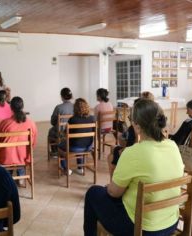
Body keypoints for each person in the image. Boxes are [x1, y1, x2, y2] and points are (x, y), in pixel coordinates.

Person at [84, 99, 184, 235]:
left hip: (142, 228)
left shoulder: (133, 152)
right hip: (171, 222)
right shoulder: (173, 146)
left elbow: (114, 192)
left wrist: (109, 187)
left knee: (93, 193)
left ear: (137, 126)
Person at [107, 91, 154, 179]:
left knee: (112, 154)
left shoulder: (134, 129)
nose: (129, 118)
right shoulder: (153, 126)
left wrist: (120, 137)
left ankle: (113, 179)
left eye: (130, 117)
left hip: (132, 153)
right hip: (144, 154)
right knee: (114, 149)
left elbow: (129, 147)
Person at [0, 96, 37, 177]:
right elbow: (33, 143)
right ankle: (21, 176)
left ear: (11, 108)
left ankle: (8, 176)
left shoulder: (4, 123)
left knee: (9, 152)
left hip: (6, 157)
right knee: (21, 153)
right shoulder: (31, 123)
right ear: (23, 107)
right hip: (24, 157)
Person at [58, 98, 95, 175]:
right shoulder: (92, 118)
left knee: (60, 146)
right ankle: (80, 168)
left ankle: (66, 169)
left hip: (74, 147)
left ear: (75, 108)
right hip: (88, 147)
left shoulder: (72, 119)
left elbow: (66, 134)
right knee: (80, 142)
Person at [48, 87, 74, 153]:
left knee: (51, 131)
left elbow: (53, 121)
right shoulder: (75, 106)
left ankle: (55, 151)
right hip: (72, 130)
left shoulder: (58, 107)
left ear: (62, 96)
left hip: (61, 131)